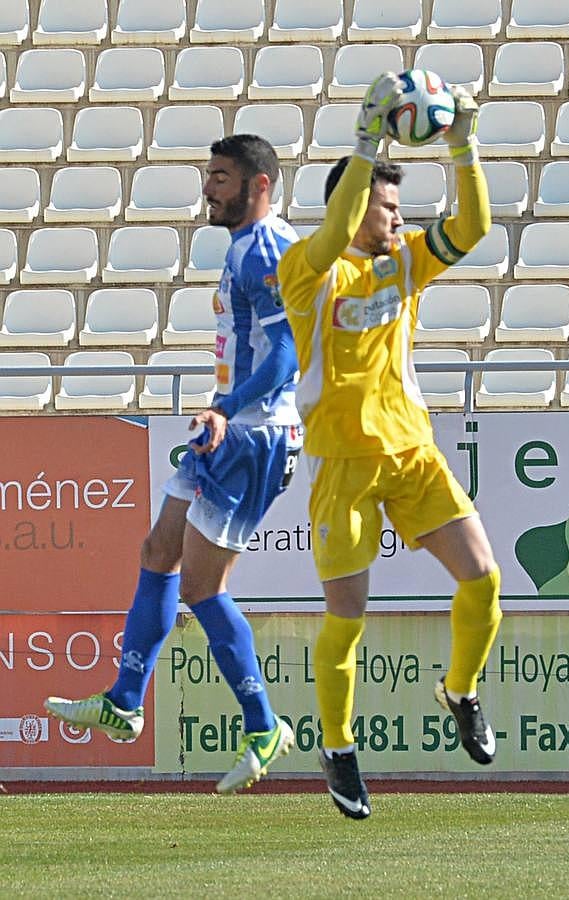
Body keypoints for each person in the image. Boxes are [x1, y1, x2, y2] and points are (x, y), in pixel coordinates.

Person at [45, 134, 303, 794]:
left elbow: (284, 356)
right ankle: (125, 702)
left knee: (200, 587)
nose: (209, 189)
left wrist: (228, 408)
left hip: (254, 437)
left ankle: (264, 724)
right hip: (228, 428)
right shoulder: (245, 248)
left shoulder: (267, 250)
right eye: (208, 175)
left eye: (221, 177)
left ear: (260, 185)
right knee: (158, 549)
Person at [278, 74, 502, 819]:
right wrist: (365, 146)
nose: (397, 217)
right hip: (340, 464)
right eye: (386, 204)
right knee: (347, 619)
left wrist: (463, 143)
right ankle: (338, 748)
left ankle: (461, 690)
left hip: (412, 453)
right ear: (351, 207)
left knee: (483, 580)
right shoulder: (307, 272)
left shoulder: (406, 260)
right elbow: (337, 231)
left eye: (399, 206)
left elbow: (474, 227)